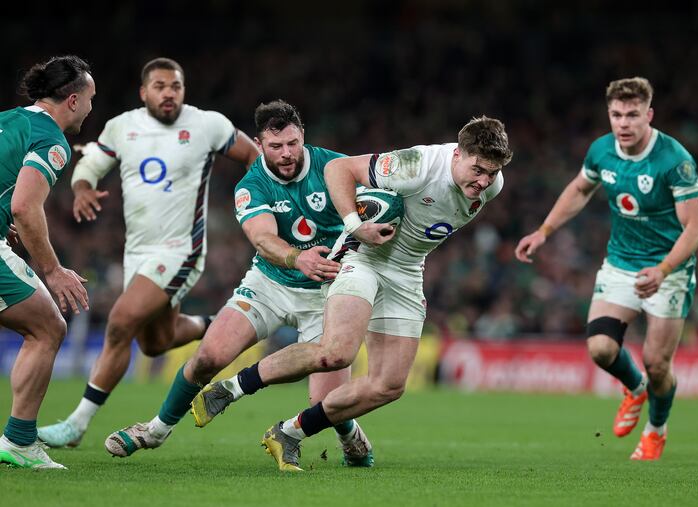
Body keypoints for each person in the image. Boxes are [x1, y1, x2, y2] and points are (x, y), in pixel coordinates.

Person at [192, 115, 513, 472]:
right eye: (478, 170)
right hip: (363, 257)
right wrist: (355, 225)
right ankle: (232, 388)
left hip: (407, 273)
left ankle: (289, 432)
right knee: (337, 353)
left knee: (389, 385)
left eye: (492, 173)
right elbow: (339, 169)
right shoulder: (416, 165)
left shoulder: (493, 185)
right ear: (457, 154)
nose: (484, 181)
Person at [102, 100, 374, 467]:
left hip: (329, 291)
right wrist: (299, 258)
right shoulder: (252, 185)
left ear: (303, 136)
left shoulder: (334, 167)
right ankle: (155, 430)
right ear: (259, 145)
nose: (286, 153)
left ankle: (351, 437)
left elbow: (378, 196)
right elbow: (262, 238)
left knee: (327, 403)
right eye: (275, 146)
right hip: (270, 284)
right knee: (208, 358)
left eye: (292, 143)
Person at [37, 58, 259, 448]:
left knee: (120, 322)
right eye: (159, 86)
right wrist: (82, 187)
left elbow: (253, 156)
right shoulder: (122, 127)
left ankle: (76, 424)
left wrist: (257, 205)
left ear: (183, 90)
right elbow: (91, 164)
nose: (168, 93)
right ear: (144, 92)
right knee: (155, 342)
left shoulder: (208, 125)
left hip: (181, 250)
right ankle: (222, 324)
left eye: (175, 86)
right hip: (138, 252)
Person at [515, 77, 698, 460]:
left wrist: (664, 269)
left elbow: (697, 227)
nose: (623, 123)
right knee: (601, 349)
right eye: (617, 114)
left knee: (657, 364)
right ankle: (635, 388)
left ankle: (656, 430)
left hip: (668, 270)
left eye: (632, 115)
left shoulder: (674, 160)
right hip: (620, 264)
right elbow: (579, 189)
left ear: (649, 115)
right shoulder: (602, 150)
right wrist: (544, 231)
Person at [0, 56, 95, 469]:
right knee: (47, 327)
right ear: (72, 100)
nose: (91, 108)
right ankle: (20, 441)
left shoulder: (8, 119)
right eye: (90, 99)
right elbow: (25, 206)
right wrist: (53, 271)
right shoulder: (51, 140)